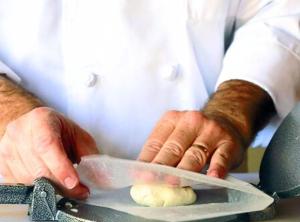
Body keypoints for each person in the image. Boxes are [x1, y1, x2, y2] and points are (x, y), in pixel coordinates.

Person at [0, 1, 299, 199]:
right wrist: (11, 115)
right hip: (23, 192)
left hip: (205, 191)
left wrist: (231, 113)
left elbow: (282, 10)